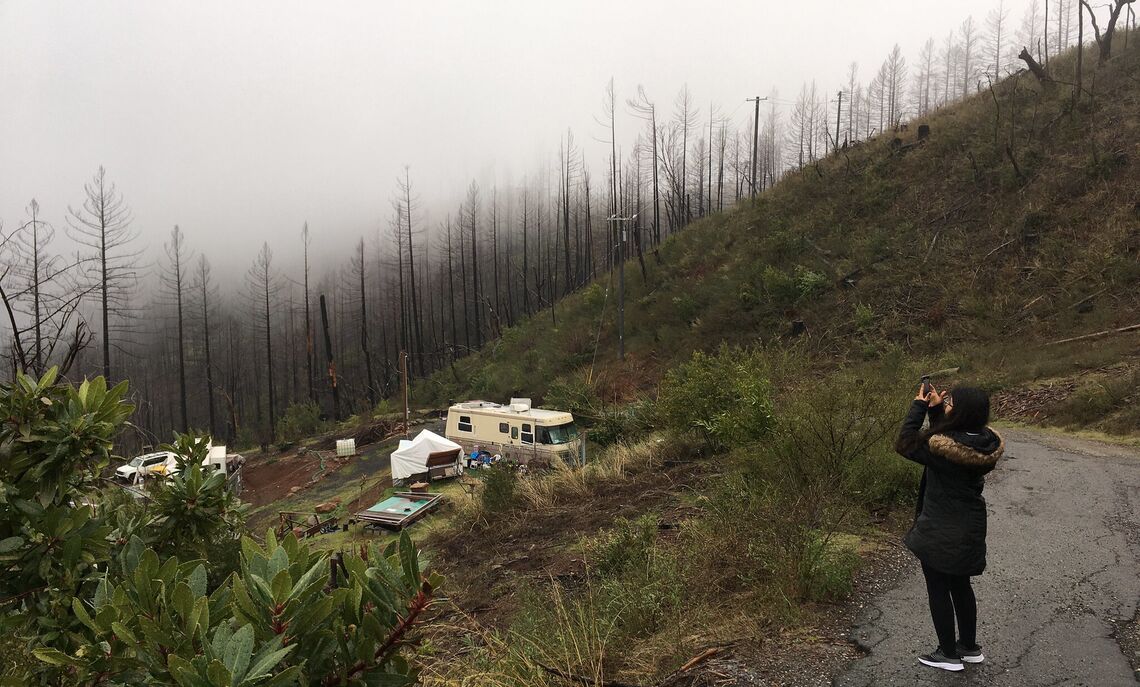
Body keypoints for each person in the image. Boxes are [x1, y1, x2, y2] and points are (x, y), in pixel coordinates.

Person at [895, 383, 1004, 672]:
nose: (948, 404)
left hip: (940, 527)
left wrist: (919, 406)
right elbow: (948, 440)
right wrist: (936, 410)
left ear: (962, 411)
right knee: (960, 585)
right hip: (969, 526)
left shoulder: (943, 450)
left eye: (952, 403)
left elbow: (906, 442)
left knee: (938, 588)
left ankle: (947, 654)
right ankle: (969, 648)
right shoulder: (984, 442)